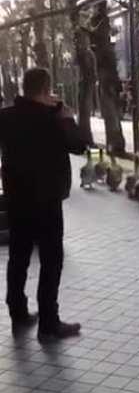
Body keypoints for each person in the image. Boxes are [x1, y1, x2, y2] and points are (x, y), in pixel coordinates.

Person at [0, 68, 87, 340]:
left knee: (19, 256)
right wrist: (68, 117)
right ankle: (48, 323)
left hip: (17, 198)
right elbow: (79, 146)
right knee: (51, 260)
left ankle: (18, 313)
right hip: (48, 201)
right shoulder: (54, 118)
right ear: (46, 89)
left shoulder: (5, 117)